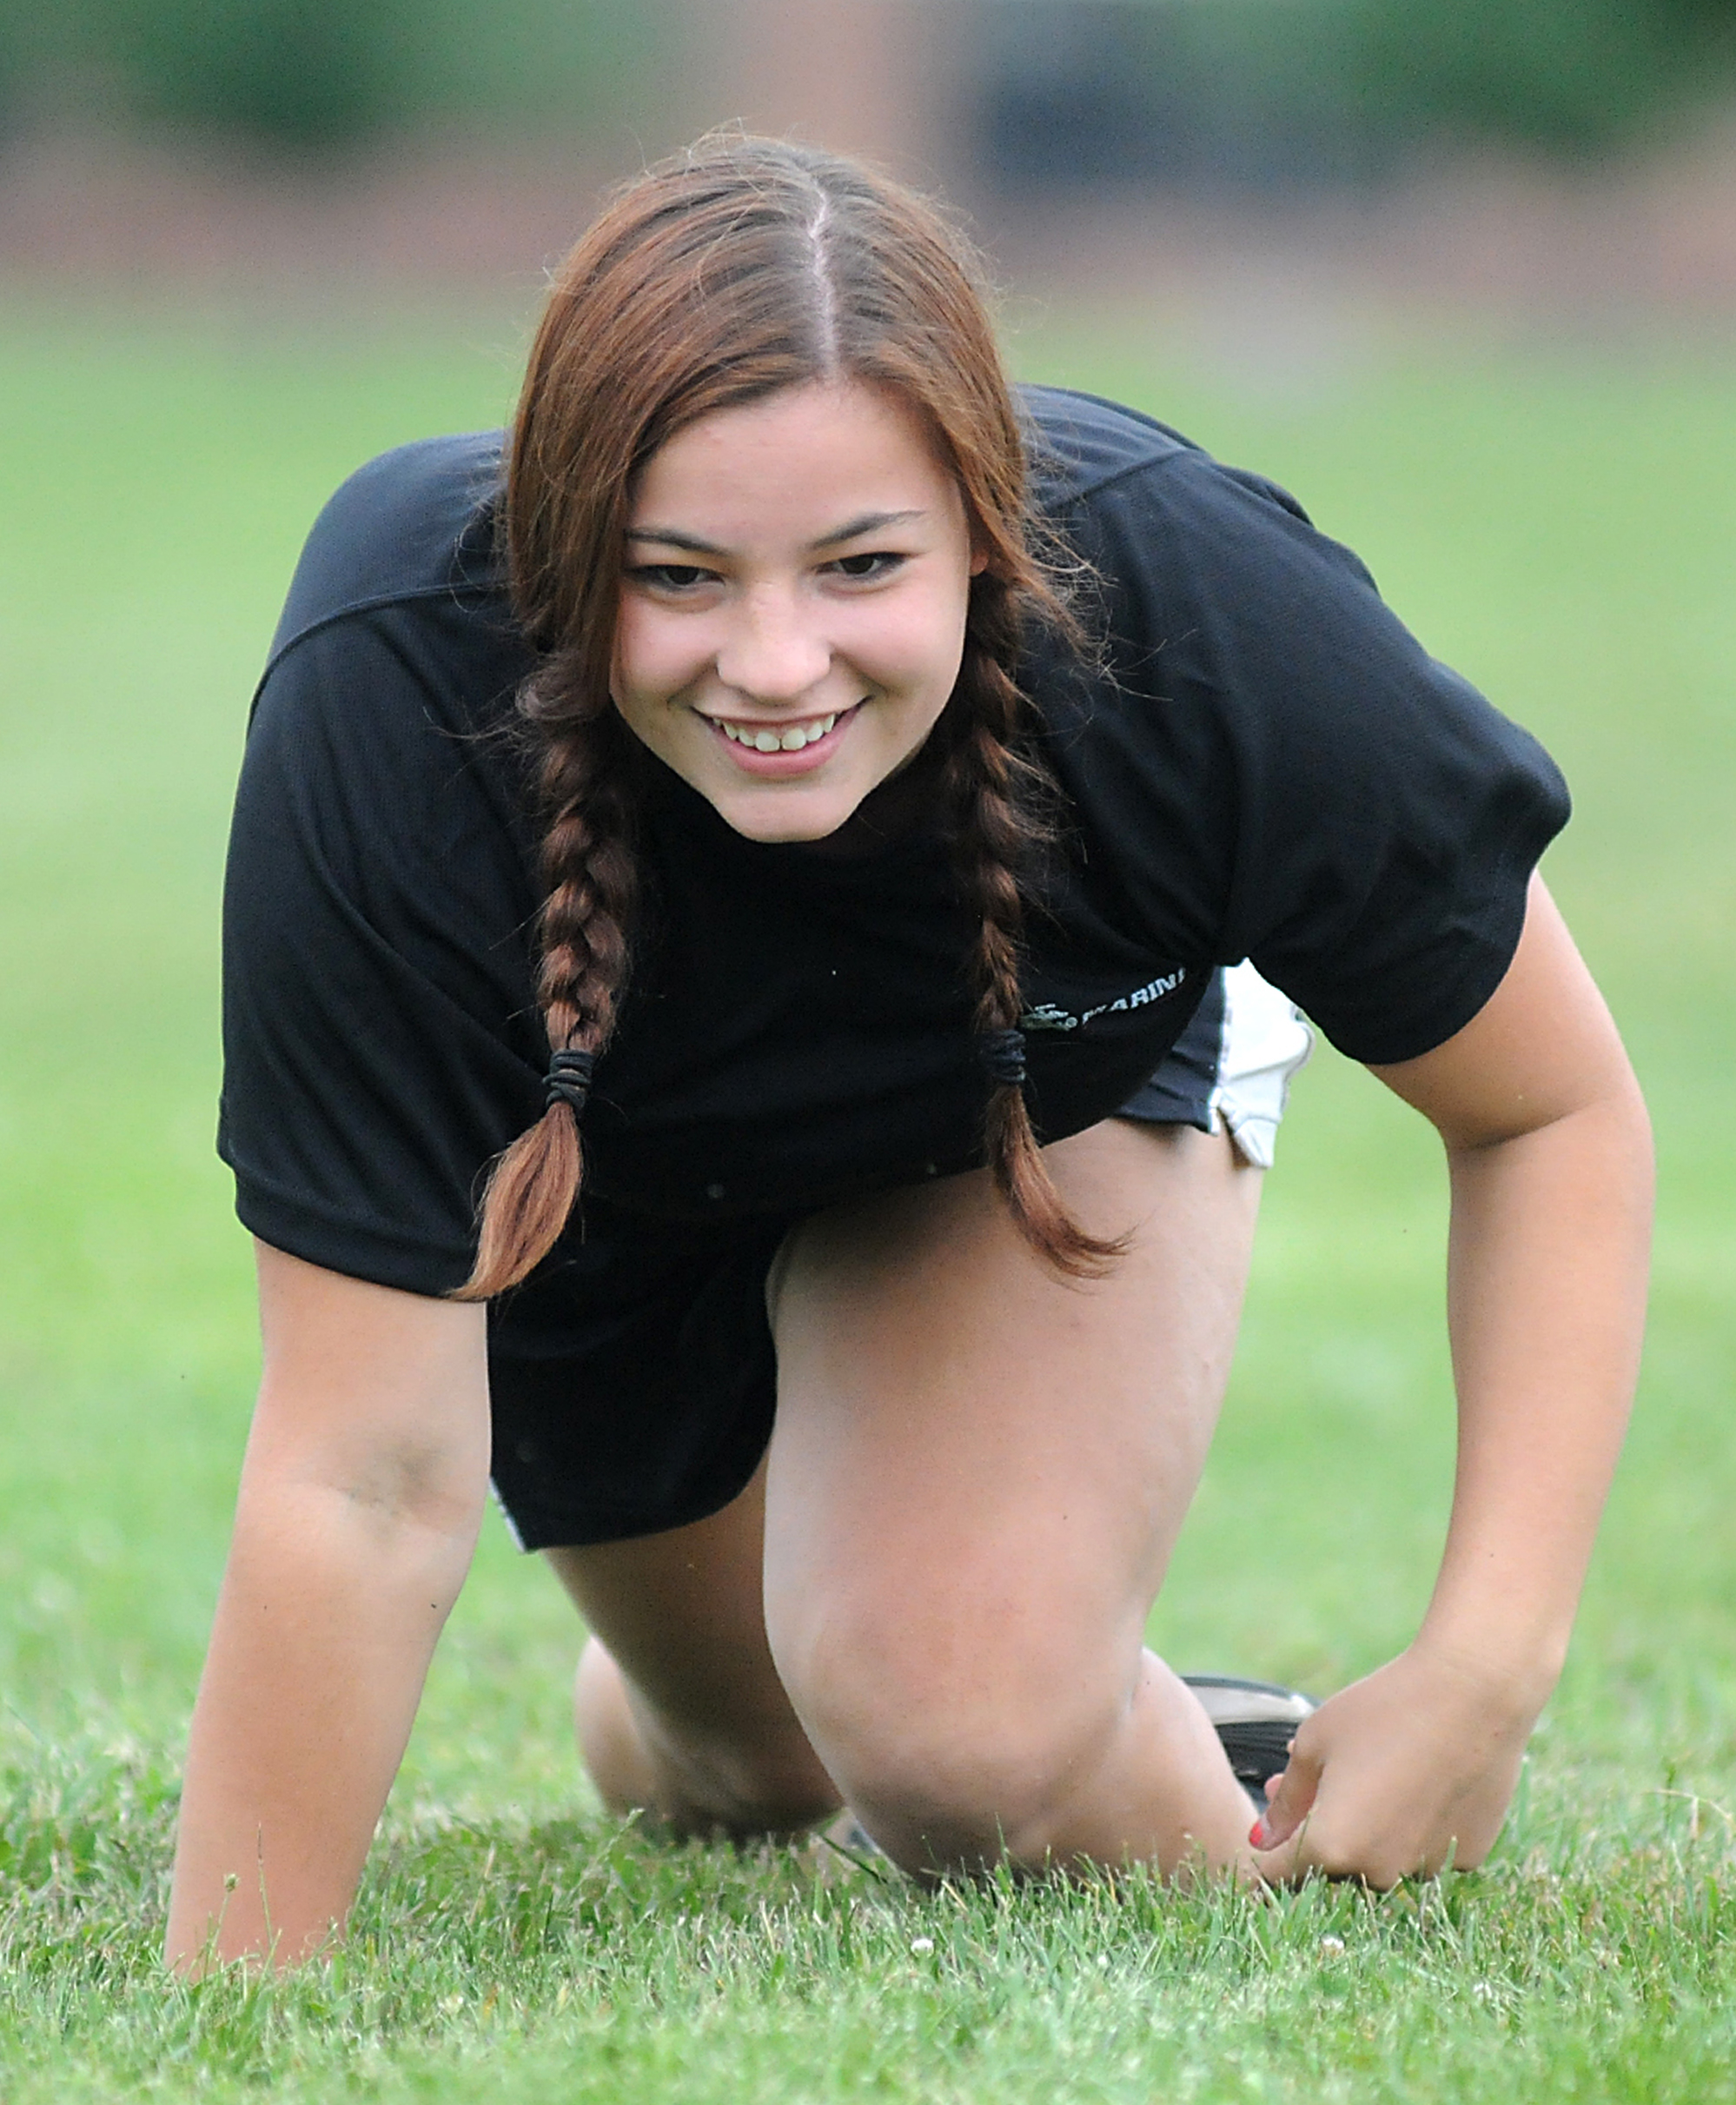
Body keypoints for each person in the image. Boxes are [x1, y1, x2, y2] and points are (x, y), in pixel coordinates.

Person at [166, 136, 1652, 1970]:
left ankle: (1102, 1708)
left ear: (984, 526)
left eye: (862, 563)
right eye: (680, 576)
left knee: (955, 1725)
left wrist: (1483, 1666)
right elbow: (361, 1473)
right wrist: (234, 2006)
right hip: (619, 1173)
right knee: (743, 1770)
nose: (774, 661)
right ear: (562, 548)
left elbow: (1548, 1109)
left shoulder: (1188, 608)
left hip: (1023, 1108)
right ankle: (770, 1674)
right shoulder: (398, 677)